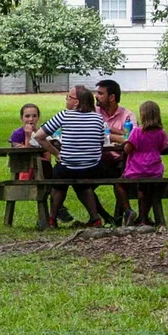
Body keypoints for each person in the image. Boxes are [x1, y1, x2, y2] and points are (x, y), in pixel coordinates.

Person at [42, 85, 108, 228]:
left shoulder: (64, 115)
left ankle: (52, 219)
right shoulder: (98, 119)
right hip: (92, 167)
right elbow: (101, 142)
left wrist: (56, 153)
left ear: (77, 102)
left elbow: (39, 136)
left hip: (68, 166)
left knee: (59, 183)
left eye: (69, 97)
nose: (66, 100)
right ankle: (95, 219)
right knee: (83, 184)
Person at [113, 100, 168, 226]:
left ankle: (128, 211)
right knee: (146, 189)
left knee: (118, 184)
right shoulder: (161, 133)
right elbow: (162, 147)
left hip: (137, 169)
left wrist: (126, 144)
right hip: (154, 170)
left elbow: (128, 149)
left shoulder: (137, 132)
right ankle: (143, 218)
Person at [95, 78, 135, 224]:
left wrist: (109, 132)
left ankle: (123, 215)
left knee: (119, 179)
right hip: (98, 161)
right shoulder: (94, 112)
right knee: (83, 185)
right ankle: (107, 217)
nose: (96, 96)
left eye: (100, 93)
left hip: (121, 162)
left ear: (112, 97)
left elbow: (131, 139)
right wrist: (118, 136)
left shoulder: (127, 116)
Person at [8, 102, 54, 185]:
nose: (31, 119)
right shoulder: (17, 134)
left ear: (38, 118)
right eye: (27, 116)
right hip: (22, 167)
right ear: (21, 118)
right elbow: (25, 156)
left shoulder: (43, 133)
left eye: (34, 116)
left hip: (43, 168)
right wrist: (28, 137)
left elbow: (48, 158)